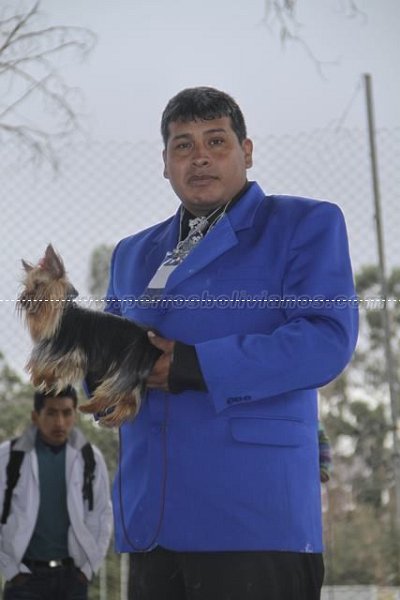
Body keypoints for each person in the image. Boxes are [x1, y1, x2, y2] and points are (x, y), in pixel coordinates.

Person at [105, 86, 359, 600]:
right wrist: (95, 366)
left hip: (254, 515)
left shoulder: (303, 224)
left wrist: (192, 365)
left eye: (216, 141)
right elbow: (106, 355)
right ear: (165, 163)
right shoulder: (132, 254)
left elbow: (325, 339)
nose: (199, 157)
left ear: (246, 151)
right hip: (153, 518)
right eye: (183, 145)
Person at [0, 386, 113, 600]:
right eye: (51, 413)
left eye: (67, 413)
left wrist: (87, 570)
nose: (60, 422)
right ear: (35, 416)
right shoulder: (9, 457)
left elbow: (102, 515)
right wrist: (12, 571)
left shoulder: (90, 458)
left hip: (73, 580)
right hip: (24, 579)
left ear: (75, 415)